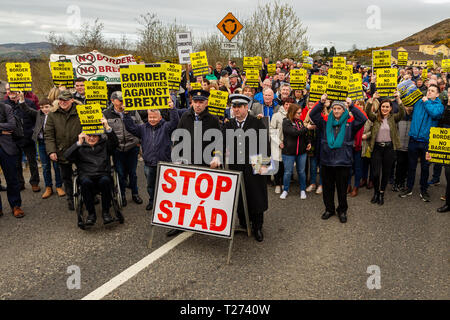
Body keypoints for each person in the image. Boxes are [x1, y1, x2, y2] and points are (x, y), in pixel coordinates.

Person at [211, 94, 270, 242]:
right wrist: (217, 156)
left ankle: (257, 226)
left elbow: (265, 144)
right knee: (239, 196)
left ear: (246, 107)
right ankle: (244, 223)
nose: (236, 110)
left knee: (256, 195)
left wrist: (260, 164)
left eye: (239, 107)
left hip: (253, 166)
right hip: (236, 166)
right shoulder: (229, 124)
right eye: (234, 107)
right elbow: (220, 142)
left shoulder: (256, 123)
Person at [310, 95, 367, 223]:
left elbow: (363, 118)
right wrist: (321, 102)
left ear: (343, 110)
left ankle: (342, 210)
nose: (336, 111)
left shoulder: (350, 122)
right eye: (334, 108)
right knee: (328, 189)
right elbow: (313, 115)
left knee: (342, 190)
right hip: (327, 161)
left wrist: (352, 105)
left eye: (339, 109)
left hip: (343, 162)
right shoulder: (325, 122)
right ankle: (329, 209)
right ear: (331, 110)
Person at [123, 99, 179, 211]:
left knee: (166, 186)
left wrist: (172, 109)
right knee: (150, 185)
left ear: (160, 117)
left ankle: (166, 203)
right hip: (149, 163)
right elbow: (130, 127)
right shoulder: (143, 128)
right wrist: (126, 114)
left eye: (154, 117)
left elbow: (175, 122)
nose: (152, 119)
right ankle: (152, 201)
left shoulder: (166, 127)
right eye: (150, 117)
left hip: (164, 162)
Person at [64, 118, 118, 225]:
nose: (92, 138)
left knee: (105, 181)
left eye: (95, 136)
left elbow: (115, 143)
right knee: (85, 182)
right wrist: (78, 143)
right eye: (89, 136)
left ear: (99, 137)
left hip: (102, 174)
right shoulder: (79, 147)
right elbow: (67, 156)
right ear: (85, 136)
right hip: (86, 176)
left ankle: (106, 212)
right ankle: (91, 214)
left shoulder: (104, 145)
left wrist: (107, 127)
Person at [399, 84, 444, 201]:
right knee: (411, 166)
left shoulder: (439, 105)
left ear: (437, 94)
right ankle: (409, 188)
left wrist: (426, 102)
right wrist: (399, 98)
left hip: (427, 142)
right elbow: (408, 109)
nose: (429, 92)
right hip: (413, 139)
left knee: (425, 167)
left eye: (432, 91)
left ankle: (423, 190)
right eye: (428, 90)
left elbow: (435, 114)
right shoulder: (419, 102)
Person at [18, 97, 65, 199]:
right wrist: (21, 100)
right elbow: (27, 110)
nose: (45, 109)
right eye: (42, 107)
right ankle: (48, 187)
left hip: (54, 143)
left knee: (56, 166)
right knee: (45, 166)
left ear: (52, 106)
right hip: (42, 143)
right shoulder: (39, 114)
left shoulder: (56, 115)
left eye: (47, 107)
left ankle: (59, 186)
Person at [103, 91, 143, 207]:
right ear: (112, 101)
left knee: (133, 173)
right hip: (118, 149)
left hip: (132, 147)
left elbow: (140, 126)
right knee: (120, 173)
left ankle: (135, 194)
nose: (123, 103)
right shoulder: (106, 114)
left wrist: (138, 141)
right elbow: (104, 132)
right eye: (120, 100)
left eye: (124, 100)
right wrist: (111, 145)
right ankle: (122, 195)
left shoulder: (132, 111)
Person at [44, 90, 82, 210]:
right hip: (62, 150)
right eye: (60, 100)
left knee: (84, 173)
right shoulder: (52, 114)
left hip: (80, 149)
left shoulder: (81, 111)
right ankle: (71, 198)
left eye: (65, 100)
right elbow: (48, 135)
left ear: (71, 100)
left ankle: (88, 194)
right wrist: (52, 151)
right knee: (66, 177)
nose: (63, 102)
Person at [365, 91, 405, 205]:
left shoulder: (393, 118)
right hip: (376, 148)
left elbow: (402, 113)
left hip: (389, 149)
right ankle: (376, 192)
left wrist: (398, 99)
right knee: (376, 173)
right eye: (383, 106)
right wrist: (372, 99)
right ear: (380, 107)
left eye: (387, 107)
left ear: (391, 108)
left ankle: (382, 193)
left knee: (386, 172)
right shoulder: (375, 118)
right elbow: (368, 111)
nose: (385, 109)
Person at [4, 84, 40, 192]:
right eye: (7, 90)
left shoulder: (29, 103)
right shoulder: (4, 104)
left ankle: (34, 182)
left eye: (11, 89)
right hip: (12, 139)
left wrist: (34, 131)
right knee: (16, 163)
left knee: (32, 161)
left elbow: (37, 118)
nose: (9, 91)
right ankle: (20, 183)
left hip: (28, 137)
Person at [280, 103, 311, 200]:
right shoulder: (286, 122)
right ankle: (285, 190)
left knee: (301, 172)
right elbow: (294, 133)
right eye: (298, 113)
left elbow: (304, 136)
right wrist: (307, 128)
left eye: (300, 113)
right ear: (292, 112)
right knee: (288, 172)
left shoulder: (300, 122)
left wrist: (308, 142)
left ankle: (302, 190)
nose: (300, 115)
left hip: (301, 152)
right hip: (288, 152)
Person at [0, 100, 24, 218]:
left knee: (12, 178)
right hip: (4, 140)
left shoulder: (6, 107)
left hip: (7, 148)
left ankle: (15, 205)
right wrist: (1, 130)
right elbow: (6, 126)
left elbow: (11, 125)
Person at [269, 98, 291, 194]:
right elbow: (271, 130)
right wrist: (279, 142)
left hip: (289, 144)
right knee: (277, 164)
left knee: (285, 165)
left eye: (290, 104)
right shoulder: (276, 115)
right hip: (277, 143)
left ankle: (283, 183)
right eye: (286, 104)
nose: (288, 106)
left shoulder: (293, 115)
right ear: (283, 104)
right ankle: (277, 184)